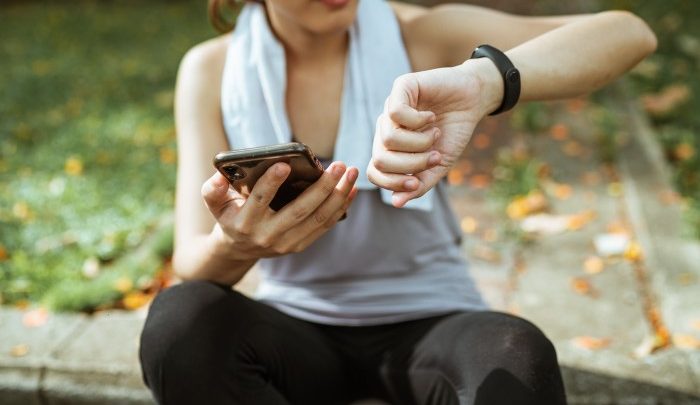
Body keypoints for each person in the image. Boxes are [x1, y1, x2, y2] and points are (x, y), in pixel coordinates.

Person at [139, 0, 656, 404]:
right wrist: (237, 244)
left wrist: (485, 81)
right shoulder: (212, 69)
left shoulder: (422, 34)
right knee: (179, 323)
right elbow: (192, 259)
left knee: (516, 355)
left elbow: (629, 34)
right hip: (296, 330)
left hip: (432, 321)